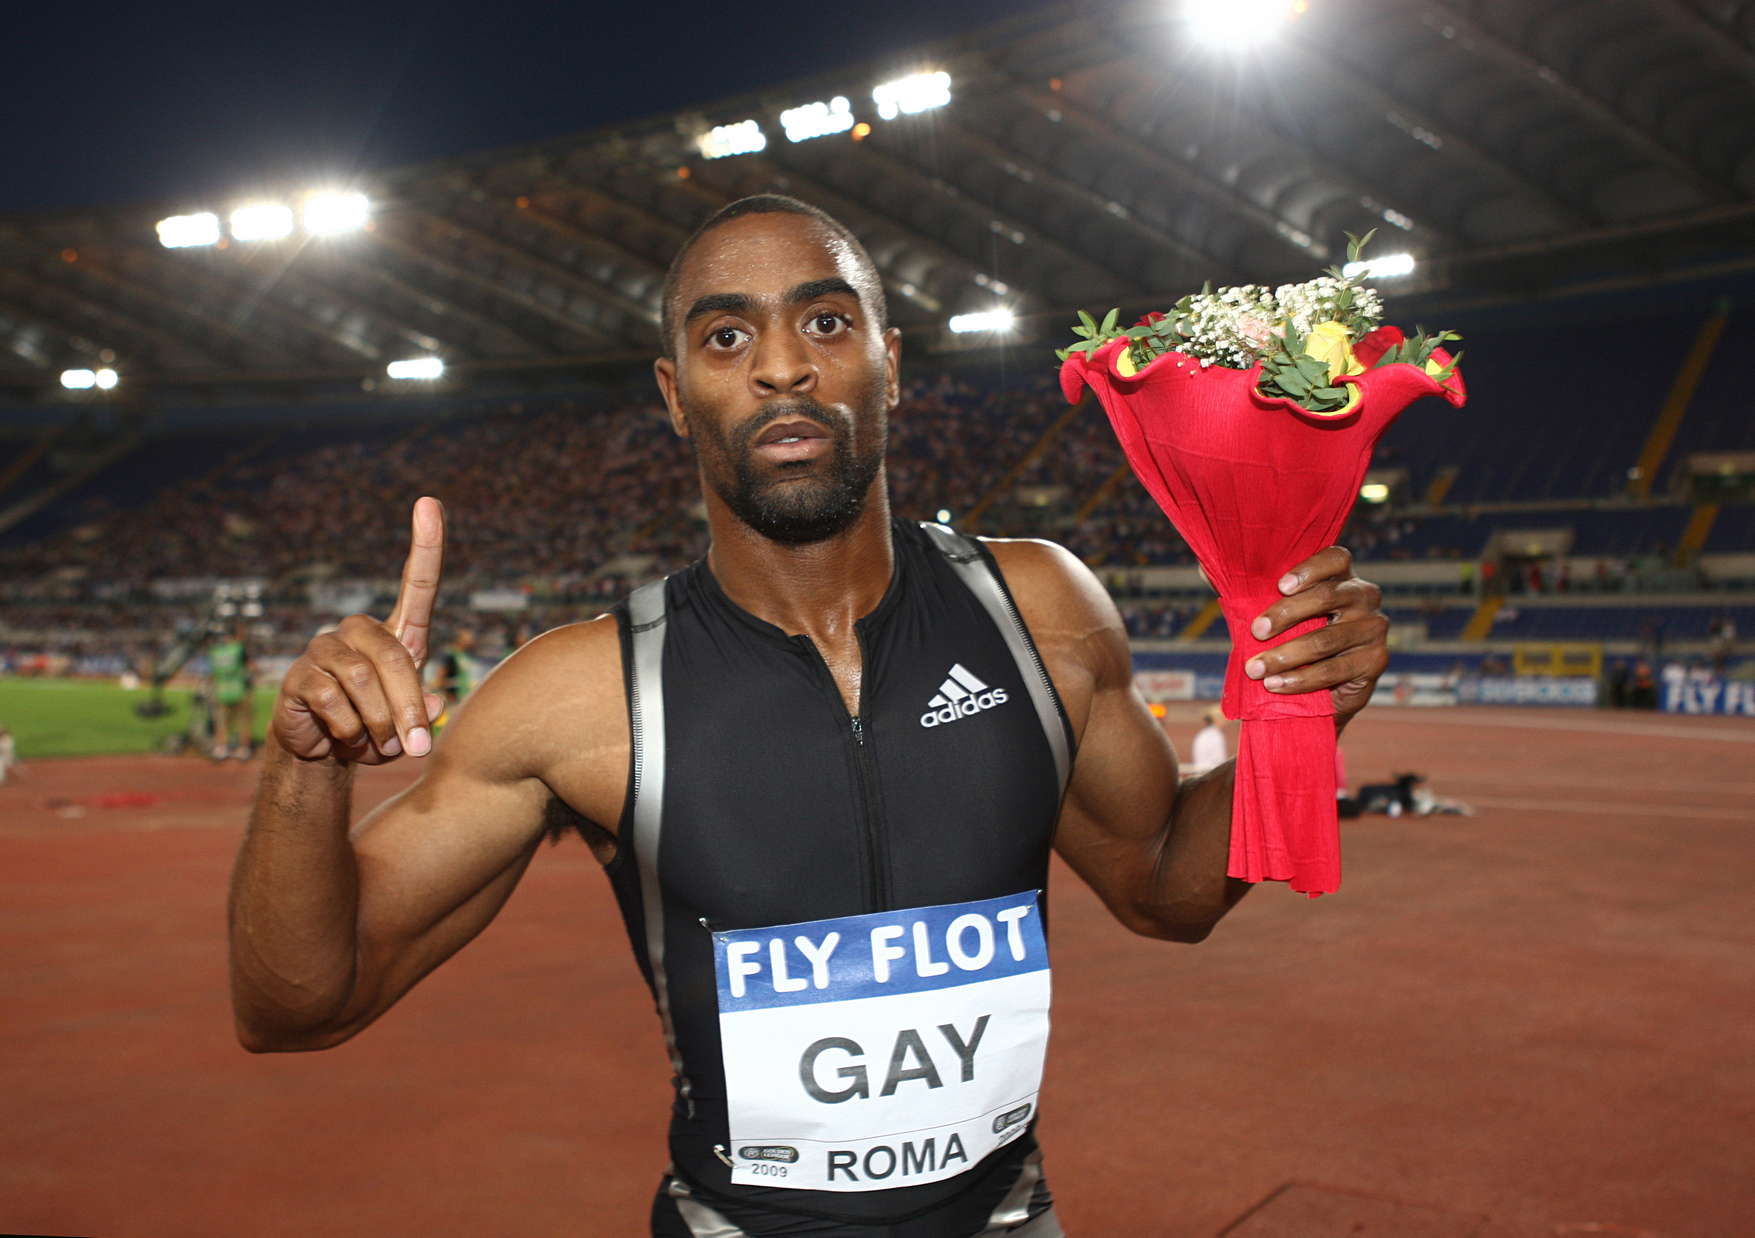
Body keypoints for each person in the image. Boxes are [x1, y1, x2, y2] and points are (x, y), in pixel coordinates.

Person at [228, 196, 1390, 1238]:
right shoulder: (580, 696)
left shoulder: (1042, 611)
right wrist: (302, 765)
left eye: (826, 323)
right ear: (675, 396)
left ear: (891, 360)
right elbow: (299, 1002)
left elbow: (1167, 887)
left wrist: (1302, 712)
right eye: (727, 337)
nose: (782, 366)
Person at [206, 620, 253, 761]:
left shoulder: (214, 651)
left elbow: (212, 673)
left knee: (221, 722)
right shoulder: (238, 648)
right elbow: (249, 666)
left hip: (221, 690)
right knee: (243, 721)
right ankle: (243, 749)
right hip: (240, 689)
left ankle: (222, 748)